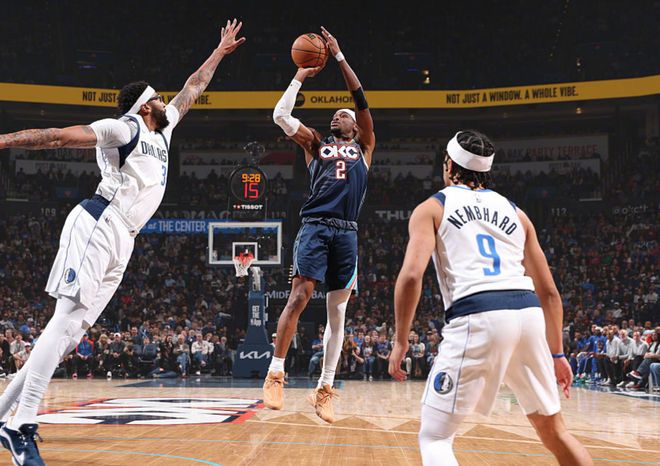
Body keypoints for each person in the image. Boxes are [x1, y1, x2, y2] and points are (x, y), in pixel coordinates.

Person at [0, 20, 245, 465]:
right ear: (144, 104)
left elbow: (193, 87)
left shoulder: (163, 130)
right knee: (64, 320)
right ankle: (22, 425)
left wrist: (219, 51)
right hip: (99, 221)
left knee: (69, 337)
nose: (166, 101)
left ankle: (1, 415)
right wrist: (4, 140)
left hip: (126, 239)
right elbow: (59, 136)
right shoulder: (122, 127)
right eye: (158, 97)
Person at [389, 130, 592, 466]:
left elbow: (411, 276)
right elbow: (550, 293)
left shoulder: (433, 207)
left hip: (479, 313)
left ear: (448, 165)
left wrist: (400, 341)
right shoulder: (517, 213)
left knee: (435, 437)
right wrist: (557, 353)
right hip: (528, 313)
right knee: (555, 432)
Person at [263, 26, 375, 424]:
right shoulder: (315, 142)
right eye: (335, 114)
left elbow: (360, 98)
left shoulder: (365, 146)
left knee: (337, 315)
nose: (337, 116)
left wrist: (339, 57)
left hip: (347, 232)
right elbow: (280, 116)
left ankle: (324, 389)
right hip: (315, 225)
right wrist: (300, 75)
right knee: (298, 297)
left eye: (343, 115)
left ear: (356, 127)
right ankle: (275, 373)